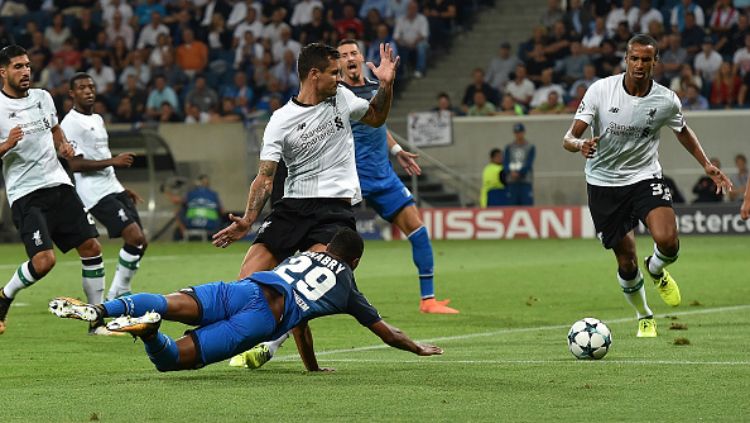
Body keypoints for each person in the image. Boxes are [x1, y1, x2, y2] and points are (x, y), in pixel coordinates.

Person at [210, 42, 400, 365]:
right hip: (292, 207)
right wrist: (247, 218)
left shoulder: (342, 99)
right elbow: (265, 178)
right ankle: (211, 335)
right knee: (244, 282)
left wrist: (386, 84)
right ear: (314, 75)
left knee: (301, 287)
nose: (339, 80)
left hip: (334, 213)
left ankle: (281, 352)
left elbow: (376, 117)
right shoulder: (280, 120)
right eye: (333, 73)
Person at [49, 228, 443, 372]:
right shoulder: (346, 286)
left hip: (245, 289)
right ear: (353, 260)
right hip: (261, 320)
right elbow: (386, 333)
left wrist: (311, 366)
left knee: (170, 302)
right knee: (174, 360)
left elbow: (302, 326)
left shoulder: (303, 256)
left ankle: (103, 310)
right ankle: (151, 334)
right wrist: (417, 347)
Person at [562, 34, 733, 337]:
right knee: (625, 260)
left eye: (646, 59)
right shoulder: (601, 90)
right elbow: (569, 137)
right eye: (634, 58)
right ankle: (644, 315)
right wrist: (580, 145)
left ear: (656, 62)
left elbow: (682, 130)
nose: (639, 64)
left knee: (667, 240)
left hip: (644, 176)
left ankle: (655, 268)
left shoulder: (666, 99)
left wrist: (705, 164)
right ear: (625, 60)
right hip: (603, 183)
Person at [337, 39, 457, 313]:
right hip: (350, 180)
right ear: (338, 63)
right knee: (333, 243)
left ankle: (428, 300)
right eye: (344, 55)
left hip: (383, 176)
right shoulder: (336, 94)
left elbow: (379, 124)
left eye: (354, 52)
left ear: (361, 56)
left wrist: (397, 149)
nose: (350, 58)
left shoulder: (375, 87)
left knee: (418, 231)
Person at [0, 46, 109, 336]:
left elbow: (55, 129)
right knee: (44, 261)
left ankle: (96, 321)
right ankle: (4, 295)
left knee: (92, 248)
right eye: (17, 67)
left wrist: (63, 145)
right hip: (26, 194)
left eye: (27, 66)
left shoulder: (43, 98)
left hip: (59, 185)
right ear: (3, 72)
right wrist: (6, 145)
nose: (25, 72)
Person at [61, 73, 149, 302]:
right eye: (82, 88)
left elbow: (98, 154)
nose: (88, 91)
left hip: (112, 186)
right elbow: (74, 164)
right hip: (93, 192)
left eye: (91, 86)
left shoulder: (97, 119)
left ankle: (120, 290)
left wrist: (121, 187)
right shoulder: (70, 124)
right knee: (134, 236)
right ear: (72, 93)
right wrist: (113, 161)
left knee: (141, 242)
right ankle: (115, 295)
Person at [177, 174, 226, 240]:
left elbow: (177, 201)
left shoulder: (190, 194)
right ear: (208, 183)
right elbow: (223, 211)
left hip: (191, 225)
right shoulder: (213, 194)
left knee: (179, 213)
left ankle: (183, 237)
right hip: (211, 225)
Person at [504, 123, 536, 206]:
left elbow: (529, 163)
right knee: (511, 206)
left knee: (527, 205)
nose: (518, 135)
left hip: (525, 181)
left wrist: (520, 173)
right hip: (512, 181)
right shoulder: (509, 147)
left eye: (520, 132)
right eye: (516, 132)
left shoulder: (530, 146)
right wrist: (510, 172)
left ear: (524, 132)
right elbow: (506, 161)